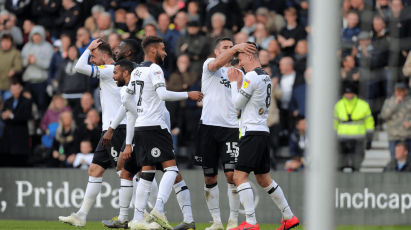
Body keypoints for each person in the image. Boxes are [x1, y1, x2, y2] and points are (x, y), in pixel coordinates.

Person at [111, 36, 203, 230]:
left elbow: (126, 100)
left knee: (149, 171)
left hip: (142, 127)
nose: (165, 52)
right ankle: (159, 210)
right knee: (171, 169)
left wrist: (140, 113)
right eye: (162, 49)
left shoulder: (135, 71)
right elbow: (163, 95)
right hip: (155, 127)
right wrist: (189, 94)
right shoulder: (155, 69)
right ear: (152, 50)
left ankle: (138, 219)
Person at [227, 41, 300, 230]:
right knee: (263, 179)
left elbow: (236, 104)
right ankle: (289, 216)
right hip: (262, 132)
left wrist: (235, 83)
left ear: (249, 57)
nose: (240, 62)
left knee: (238, 177)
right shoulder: (266, 76)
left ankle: (250, 222)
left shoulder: (251, 76)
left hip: (252, 133)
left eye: (241, 57)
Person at [58, 39, 127, 227]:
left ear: (105, 56)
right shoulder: (113, 70)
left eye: (94, 57)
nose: (92, 60)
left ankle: (142, 214)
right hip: (110, 129)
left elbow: (79, 67)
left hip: (117, 129)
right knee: (94, 170)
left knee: (125, 174)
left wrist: (87, 49)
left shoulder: (108, 70)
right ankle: (81, 215)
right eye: (91, 56)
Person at [194, 38, 256, 230]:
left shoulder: (241, 73)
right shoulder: (209, 66)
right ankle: (216, 222)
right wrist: (237, 47)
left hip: (230, 129)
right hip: (208, 128)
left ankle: (233, 221)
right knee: (210, 178)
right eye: (225, 48)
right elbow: (217, 63)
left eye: (231, 47)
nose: (230, 51)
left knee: (232, 176)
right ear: (216, 51)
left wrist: (239, 80)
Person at [334, 84, 375, 171]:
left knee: (356, 163)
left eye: (350, 93)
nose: (348, 95)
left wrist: (369, 137)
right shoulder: (338, 105)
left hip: (358, 137)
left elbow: (369, 122)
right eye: (346, 93)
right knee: (340, 163)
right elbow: (334, 122)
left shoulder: (363, 105)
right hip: (342, 137)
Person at [21, 25, 54, 114]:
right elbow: (21, 63)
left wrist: (36, 61)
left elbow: (50, 65)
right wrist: (26, 61)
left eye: (38, 35)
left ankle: (41, 125)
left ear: (42, 35)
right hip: (28, 81)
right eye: (35, 35)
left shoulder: (48, 47)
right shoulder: (27, 47)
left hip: (41, 81)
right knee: (27, 106)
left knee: (42, 105)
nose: (36, 37)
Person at [0, 80, 32, 167]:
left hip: (20, 137)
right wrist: (4, 116)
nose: (15, 91)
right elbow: (3, 115)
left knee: (19, 162)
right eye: (13, 89)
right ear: (10, 89)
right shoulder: (8, 101)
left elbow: (26, 116)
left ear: (21, 88)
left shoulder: (27, 101)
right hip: (8, 138)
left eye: (17, 89)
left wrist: (12, 116)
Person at [380, 83, 411, 159]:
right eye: (397, 91)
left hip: (407, 135)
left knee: (409, 159)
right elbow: (383, 115)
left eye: (401, 91)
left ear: (406, 91)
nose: (398, 93)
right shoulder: (389, 102)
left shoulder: (410, 102)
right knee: (394, 158)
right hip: (393, 136)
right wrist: (395, 104)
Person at [0, 34, 22, 102]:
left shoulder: (16, 53)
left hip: (10, 86)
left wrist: (14, 70)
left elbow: (19, 66)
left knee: (8, 106)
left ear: (11, 43)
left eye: (8, 41)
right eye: (3, 41)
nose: (5, 43)